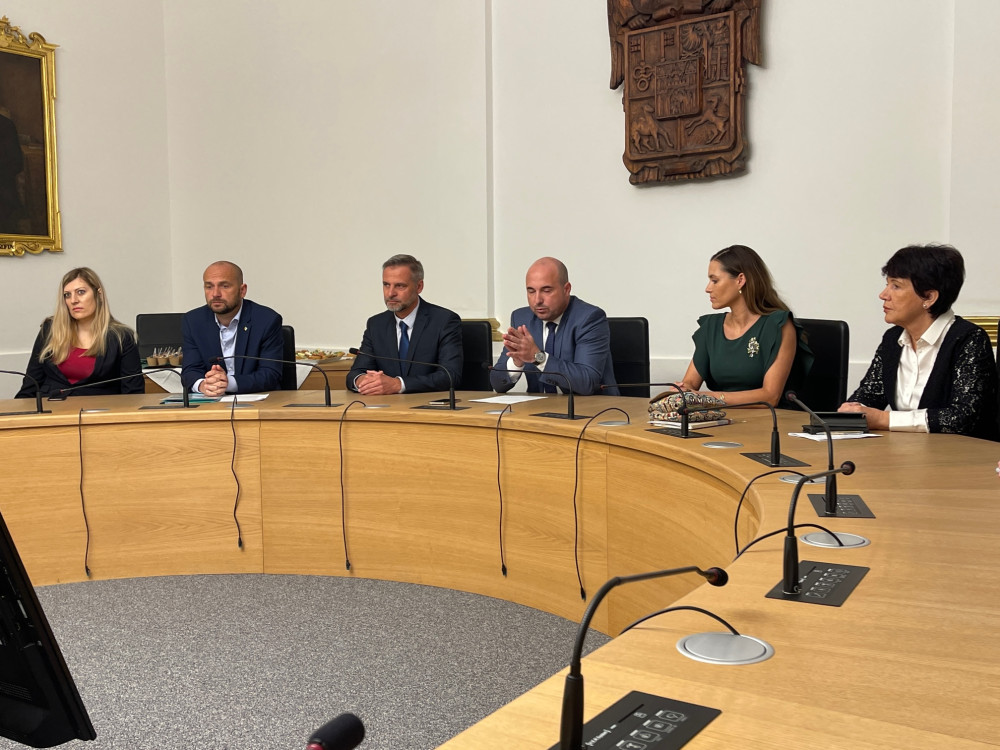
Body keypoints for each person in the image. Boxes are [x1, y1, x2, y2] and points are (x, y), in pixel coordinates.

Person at [838, 244, 998, 439]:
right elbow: (869, 395)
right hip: (907, 449)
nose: (883, 295)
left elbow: (963, 417)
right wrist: (853, 410)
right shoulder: (893, 339)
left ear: (929, 297)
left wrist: (883, 419)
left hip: (961, 454)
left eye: (896, 286)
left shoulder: (969, 339)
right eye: (887, 284)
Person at [676, 244, 811, 406]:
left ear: (740, 280)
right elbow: (690, 383)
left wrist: (705, 398)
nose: (708, 288)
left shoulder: (778, 325)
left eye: (715, 280)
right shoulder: (711, 327)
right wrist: (683, 390)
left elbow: (770, 396)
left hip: (771, 419)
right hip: (723, 418)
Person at [490, 257, 619, 396]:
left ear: (566, 289)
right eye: (531, 291)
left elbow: (587, 382)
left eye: (546, 290)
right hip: (541, 406)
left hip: (592, 406)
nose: (537, 300)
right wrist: (516, 363)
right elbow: (497, 384)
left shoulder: (589, 318)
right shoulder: (522, 318)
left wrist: (538, 358)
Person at [16, 267, 142, 398]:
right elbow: (31, 384)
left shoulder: (122, 337)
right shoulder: (50, 329)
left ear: (99, 294)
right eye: (67, 295)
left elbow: (133, 394)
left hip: (99, 409)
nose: (73, 300)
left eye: (81, 292)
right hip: (51, 406)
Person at [347, 254, 463, 394]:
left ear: (419, 286)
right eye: (386, 285)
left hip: (427, 404)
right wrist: (364, 381)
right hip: (386, 404)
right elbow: (355, 373)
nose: (390, 293)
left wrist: (398, 384)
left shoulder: (444, 321)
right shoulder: (376, 324)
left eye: (400, 286)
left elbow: (450, 375)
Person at [181, 261, 283, 396]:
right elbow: (190, 370)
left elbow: (270, 374)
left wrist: (229, 383)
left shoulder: (266, 320)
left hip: (257, 401)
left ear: (242, 290)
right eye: (209, 286)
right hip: (211, 401)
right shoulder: (193, 321)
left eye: (224, 286)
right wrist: (203, 385)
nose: (215, 294)